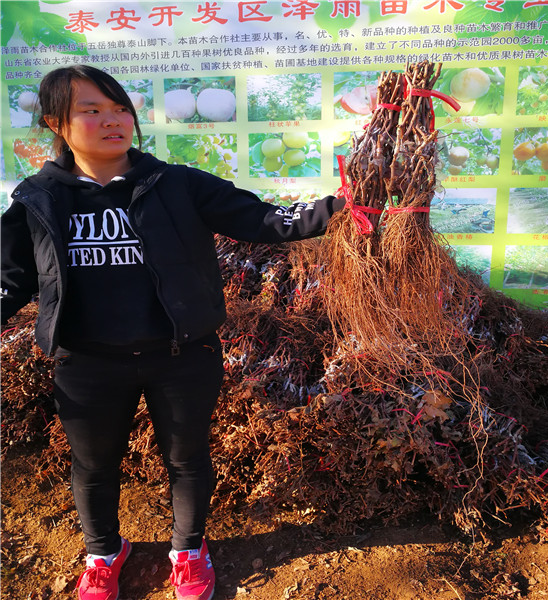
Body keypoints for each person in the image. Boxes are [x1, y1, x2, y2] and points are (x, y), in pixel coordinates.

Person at [1, 65, 345, 600]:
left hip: (182, 356)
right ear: (55, 123)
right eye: (92, 110)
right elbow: (12, 279)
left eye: (119, 109)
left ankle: (188, 550)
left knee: (186, 459)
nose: (112, 121)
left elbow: (264, 219)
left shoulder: (176, 184)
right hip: (87, 364)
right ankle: (102, 552)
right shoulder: (38, 200)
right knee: (93, 465)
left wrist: (343, 209)